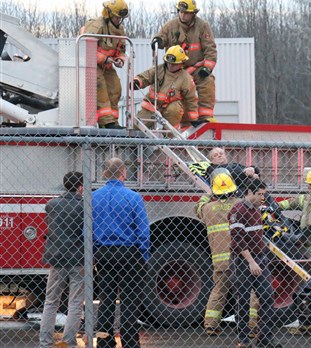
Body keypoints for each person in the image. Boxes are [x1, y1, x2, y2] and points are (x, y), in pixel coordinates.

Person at [92, 158, 150, 348]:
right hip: (129, 253)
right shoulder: (133, 197)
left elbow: (88, 229)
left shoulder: (94, 197)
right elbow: (143, 230)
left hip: (103, 252)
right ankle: (130, 342)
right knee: (130, 300)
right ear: (123, 172)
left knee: (106, 298)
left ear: (105, 173)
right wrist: (143, 255)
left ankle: (103, 341)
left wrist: (94, 252)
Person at [198, 170, 259, 335]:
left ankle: (211, 325)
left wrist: (208, 195)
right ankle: (252, 326)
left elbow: (198, 208)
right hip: (241, 258)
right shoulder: (240, 205)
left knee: (219, 290)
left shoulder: (208, 209)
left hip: (221, 261)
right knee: (250, 291)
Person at [229, 179, 282, 348]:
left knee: (267, 297)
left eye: (264, 194)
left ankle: (264, 339)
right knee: (243, 300)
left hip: (260, 259)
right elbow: (238, 239)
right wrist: (251, 262)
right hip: (244, 262)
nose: (262, 197)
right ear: (249, 192)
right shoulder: (238, 211)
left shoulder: (257, 210)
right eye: (259, 194)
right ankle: (243, 340)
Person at [150, 0, 217, 126]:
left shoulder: (202, 26)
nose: (182, 15)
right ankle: (185, 121)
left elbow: (210, 48)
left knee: (207, 81)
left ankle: (205, 116)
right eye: (180, 12)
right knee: (178, 92)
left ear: (193, 13)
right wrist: (157, 40)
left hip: (195, 68)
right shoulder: (170, 26)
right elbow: (161, 37)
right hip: (175, 69)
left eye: (186, 13)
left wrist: (207, 68)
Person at [38, 172, 85, 348]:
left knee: (51, 301)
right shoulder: (85, 206)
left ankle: (45, 342)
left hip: (57, 258)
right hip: (78, 258)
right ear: (80, 187)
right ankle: (69, 341)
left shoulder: (52, 205)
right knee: (75, 302)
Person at [80, 0, 129, 129]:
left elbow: (121, 50)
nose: (119, 20)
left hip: (107, 66)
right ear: (108, 14)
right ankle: (106, 123)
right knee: (100, 87)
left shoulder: (120, 30)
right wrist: (104, 59)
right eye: (117, 17)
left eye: (121, 18)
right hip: (92, 65)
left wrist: (120, 60)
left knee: (115, 88)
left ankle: (113, 121)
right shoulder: (97, 26)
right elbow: (86, 48)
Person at [132, 45, 198, 131]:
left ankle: (169, 139)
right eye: (168, 62)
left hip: (171, 109)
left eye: (174, 64)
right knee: (136, 128)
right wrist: (137, 82)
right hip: (152, 106)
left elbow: (191, 100)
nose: (170, 65)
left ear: (181, 63)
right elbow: (145, 77)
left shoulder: (186, 78)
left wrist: (193, 120)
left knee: (174, 110)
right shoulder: (159, 69)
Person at [189, 147, 260, 197]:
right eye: (215, 155)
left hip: (249, 187)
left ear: (225, 155)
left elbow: (255, 170)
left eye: (221, 153)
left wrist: (252, 169)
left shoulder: (234, 164)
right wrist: (247, 174)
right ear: (212, 160)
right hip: (234, 192)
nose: (219, 155)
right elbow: (230, 176)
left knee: (263, 192)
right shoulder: (212, 168)